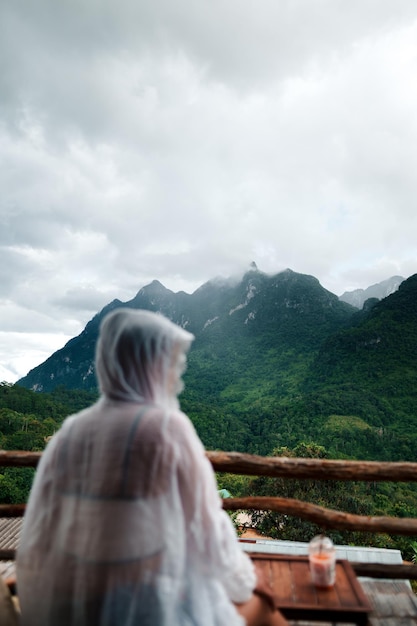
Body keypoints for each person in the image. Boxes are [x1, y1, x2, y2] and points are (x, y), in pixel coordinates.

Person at [16, 308, 287, 626]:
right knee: (267, 610)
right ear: (150, 365)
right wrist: (247, 582)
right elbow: (207, 528)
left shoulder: (71, 430)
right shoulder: (165, 429)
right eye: (171, 362)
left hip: (74, 602)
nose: (177, 373)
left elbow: (43, 525)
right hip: (146, 605)